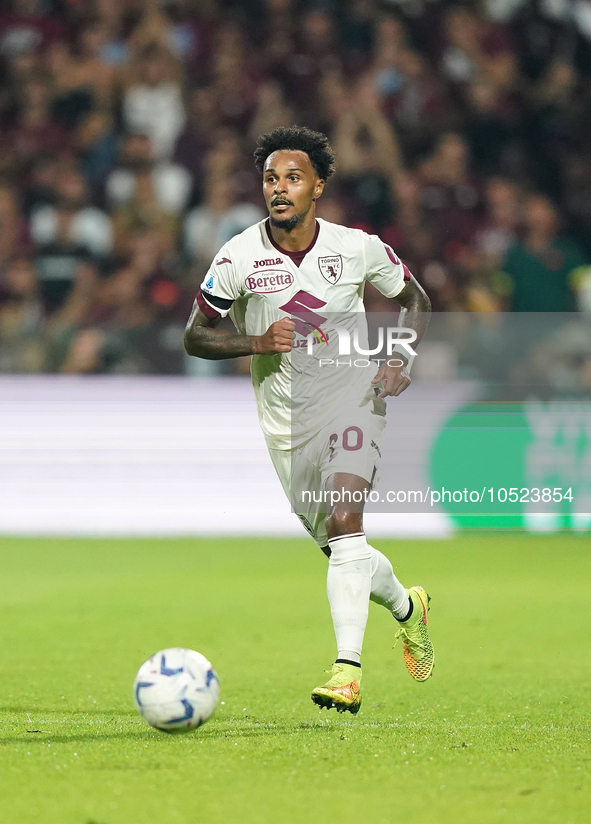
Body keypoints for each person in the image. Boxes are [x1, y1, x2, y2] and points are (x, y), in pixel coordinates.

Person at [184, 126, 434, 714]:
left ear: (317, 186)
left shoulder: (355, 247)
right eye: (271, 178)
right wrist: (255, 340)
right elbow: (194, 338)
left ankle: (347, 671)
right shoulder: (238, 256)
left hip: (354, 399)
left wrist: (400, 357)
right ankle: (408, 607)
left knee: (348, 522)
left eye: (293, 178)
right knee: (344, 549)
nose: (279, 188)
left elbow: (415, 298)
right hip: (286, 424)